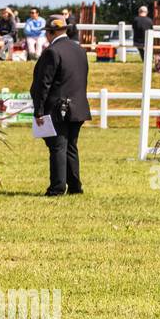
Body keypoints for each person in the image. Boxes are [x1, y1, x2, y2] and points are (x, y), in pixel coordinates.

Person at [30, 16, 92, 196]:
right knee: (71, 147)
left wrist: (38, 110)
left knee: (57, 147)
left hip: (58, 108)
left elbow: (44, 84)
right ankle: (74, 187)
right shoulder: (80, 50)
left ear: (50, 33)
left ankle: (57, 188)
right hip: (78, 106)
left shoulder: (52, 52)